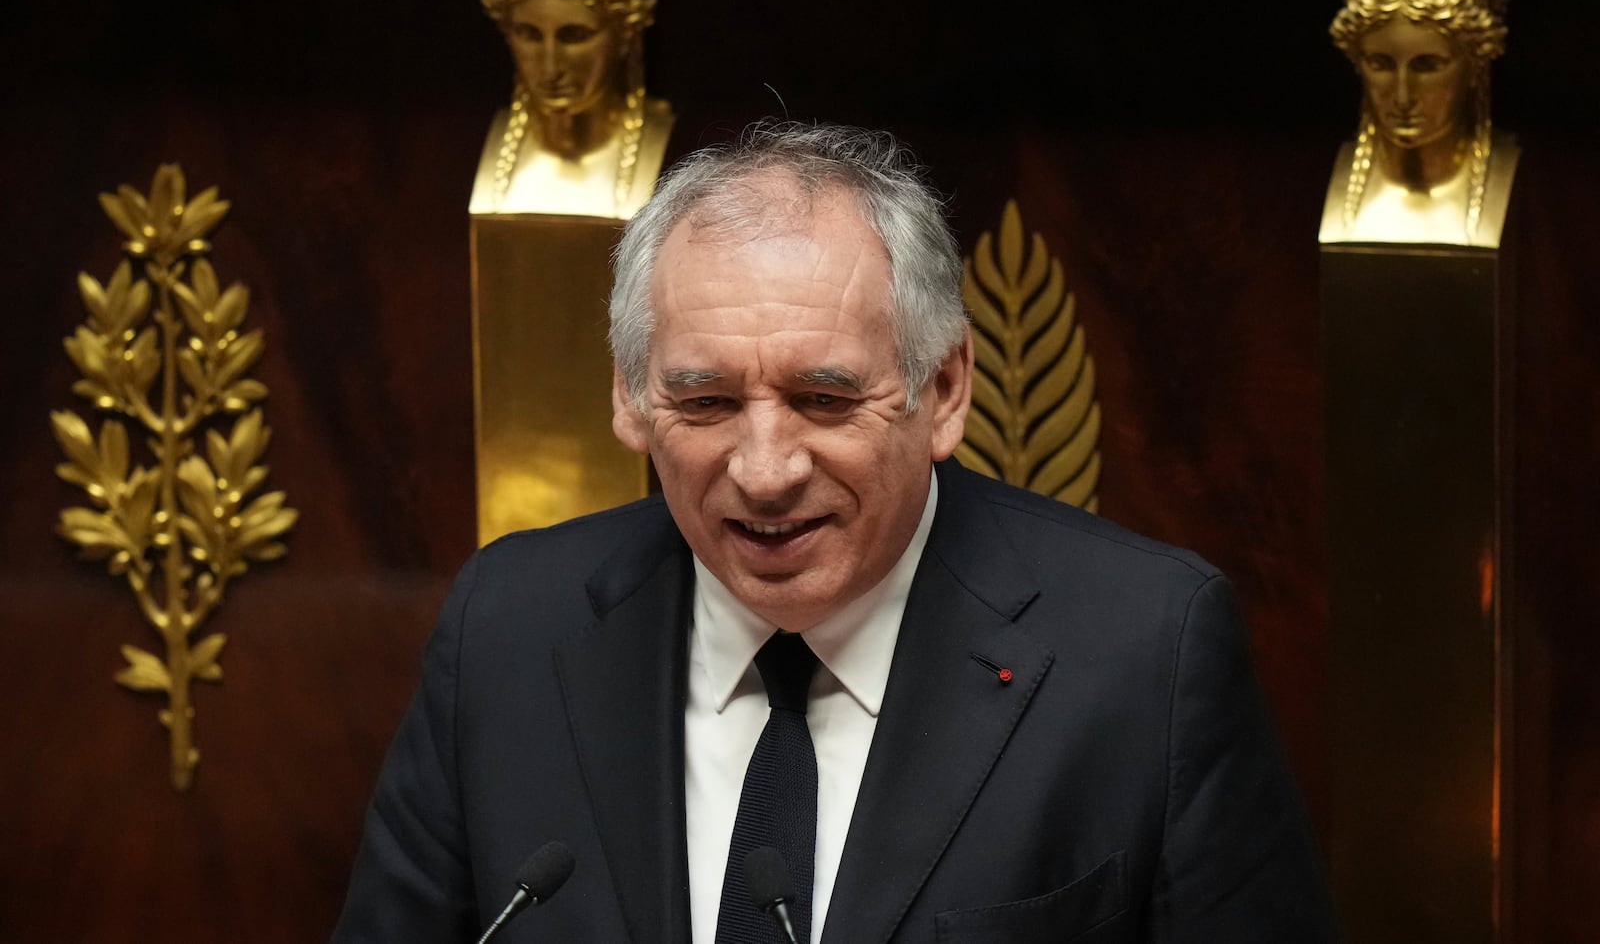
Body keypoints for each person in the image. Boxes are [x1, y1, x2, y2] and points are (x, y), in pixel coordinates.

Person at [336, 123, 1335, 942]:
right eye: (706, 400)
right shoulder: (510, 625)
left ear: (944, 389)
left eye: (821, 397)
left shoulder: (1145, 653)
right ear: (631, 401)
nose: (764, 467)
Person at [470, 0, 673, 220]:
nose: (551, 67)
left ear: (625, 34)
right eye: (529, 34)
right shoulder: (481, 144)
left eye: (575, 36)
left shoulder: (661, 137)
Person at [1321, 0, 1517, 248]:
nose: (1403, 96)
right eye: (1380, 64)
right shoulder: (1314, 182)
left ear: (1475, 66)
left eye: (1427, 66)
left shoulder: (1527, 183)